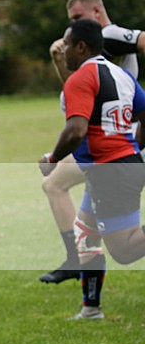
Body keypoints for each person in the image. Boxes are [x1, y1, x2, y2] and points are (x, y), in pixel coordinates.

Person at [39, 18, 145, 319]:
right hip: (116, 168)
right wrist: (132, 150)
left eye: (68, 45)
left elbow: (76, 130)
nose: (65, 51)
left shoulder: (80, 79)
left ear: (81, 47)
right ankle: (91, 308)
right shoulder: (122, 75)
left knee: (124, 250)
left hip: (111, 171)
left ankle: (91, 308)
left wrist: (53, 160)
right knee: (85, 231)